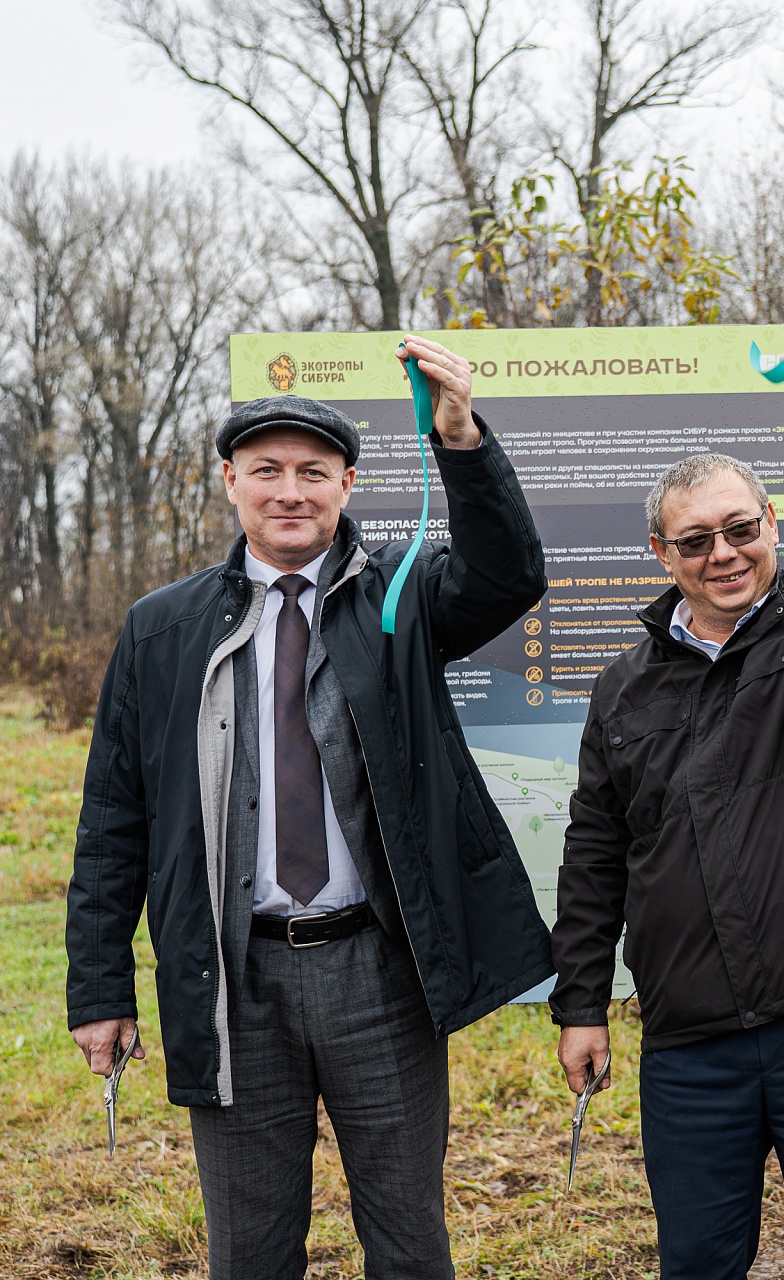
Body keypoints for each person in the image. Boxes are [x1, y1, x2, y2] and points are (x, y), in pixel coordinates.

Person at [66, 337, 554, 1280]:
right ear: (230, 483)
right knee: (250, 1251)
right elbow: (113, 816)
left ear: (346, 485)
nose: (290, 490)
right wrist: (98, 986)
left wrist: (461, 438)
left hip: (379, 970)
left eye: (313, 473)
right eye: (267, 471)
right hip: (230, 975)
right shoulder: (160, 628)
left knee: (409, 1240)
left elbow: (508, 576)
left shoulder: (399, 598)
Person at [548, 349, 784, 1280]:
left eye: (739, 529)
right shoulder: (623, 686)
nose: (722, 554)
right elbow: (595, 849)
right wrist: (581, 1003)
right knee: (698, 1263)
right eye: (695, 541)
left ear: (772, 524)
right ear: (662, 554)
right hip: (689, 1040)